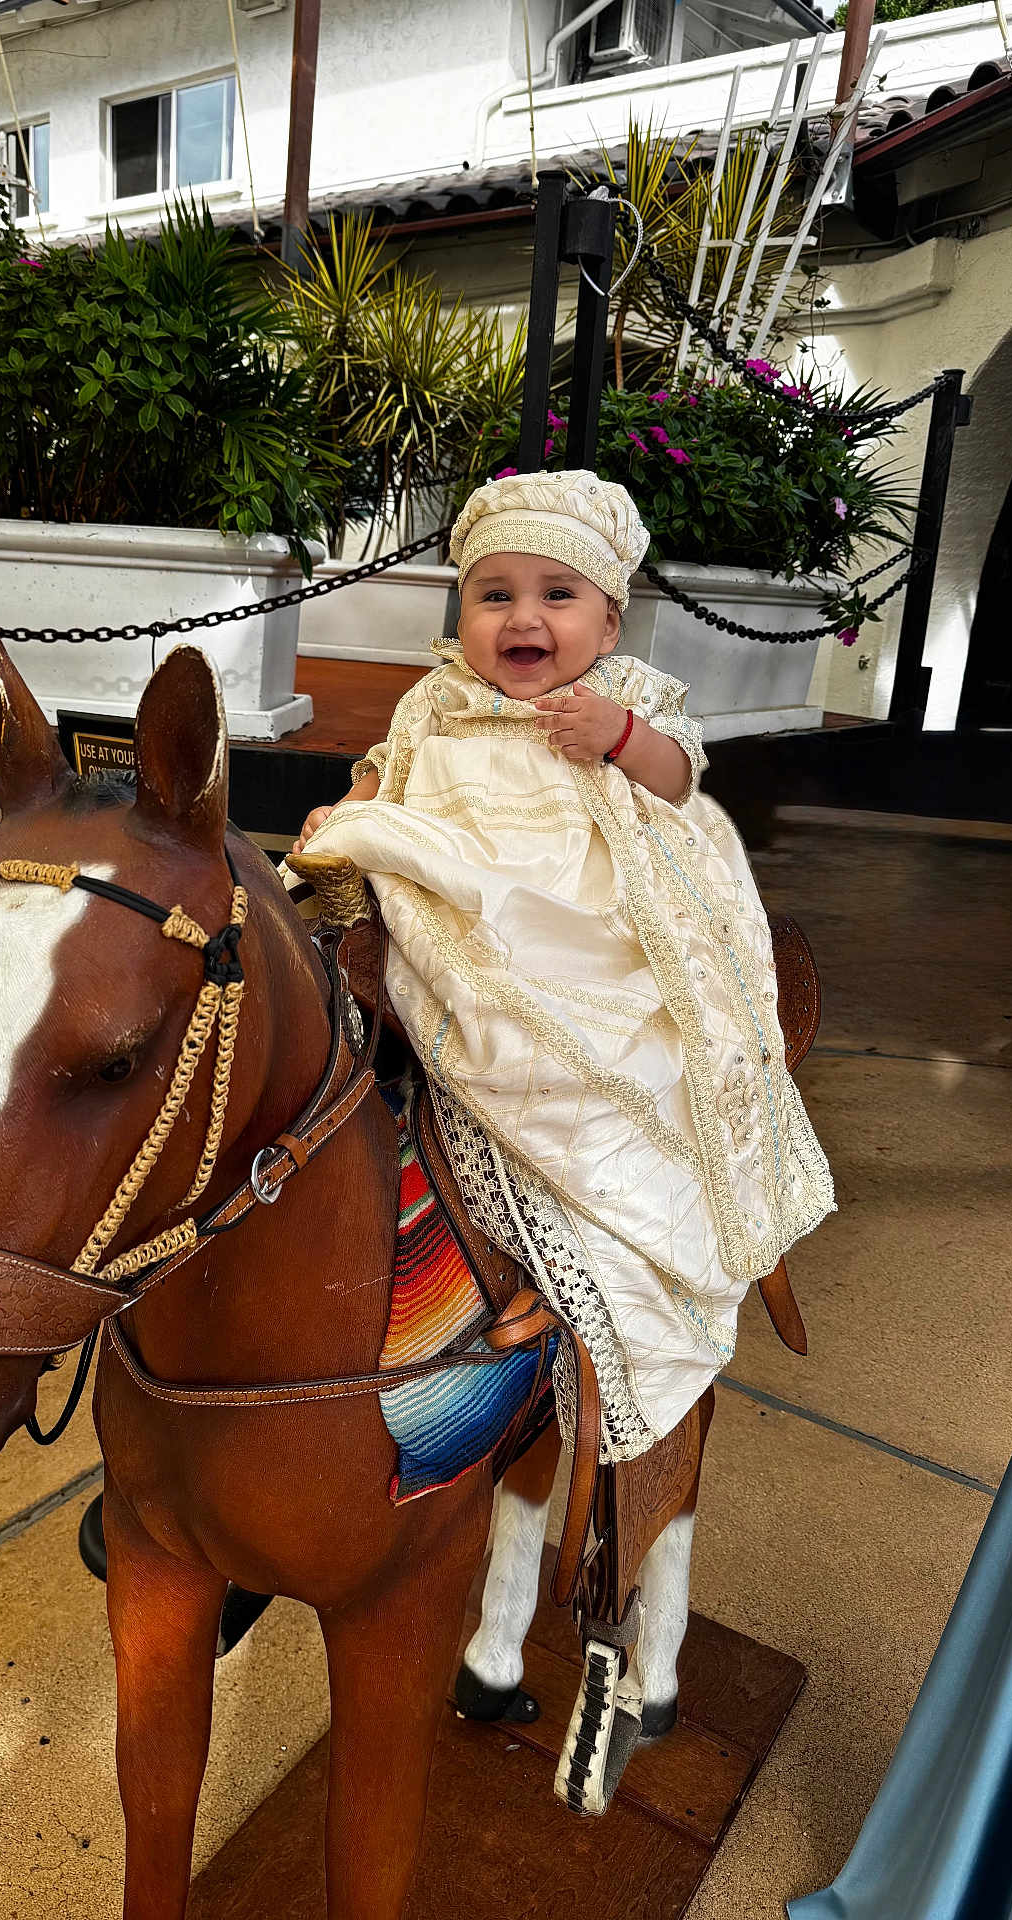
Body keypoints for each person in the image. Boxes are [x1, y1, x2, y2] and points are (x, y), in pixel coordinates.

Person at [290, 469, 834, 1460]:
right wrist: (352, 805)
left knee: (598, 1032)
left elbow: (676, 778)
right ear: (465, 611)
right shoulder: (438, 700)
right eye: (495, 594)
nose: (522, 617)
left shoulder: (620, 695)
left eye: (557, 595)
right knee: (389, 983)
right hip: (458, 891)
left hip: (576, 901)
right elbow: (385, 768)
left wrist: (620, 738)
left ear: (609, 625)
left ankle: (586, 1240)